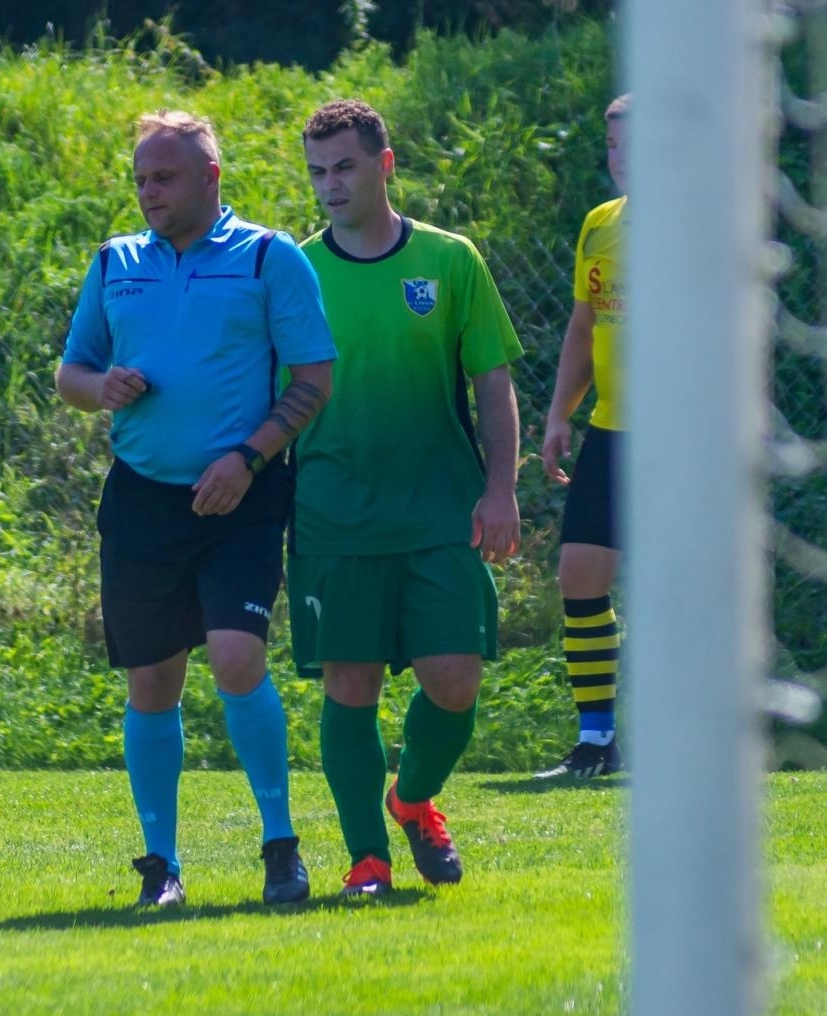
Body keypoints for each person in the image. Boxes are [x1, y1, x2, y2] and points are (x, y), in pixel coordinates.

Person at [58, 109, 336, 908]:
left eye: (165, 177)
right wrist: (99, 389)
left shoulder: (266, 258)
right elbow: (73, 373)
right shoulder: (115, 262)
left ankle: (280, 846)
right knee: (152, 682)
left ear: (211, 177)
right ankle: (161, 866)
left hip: (240, 496)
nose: (149, 192)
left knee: (238, 657)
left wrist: (248, 459)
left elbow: (312, 380)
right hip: (142, 499)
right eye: (141, 178)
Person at [291, 99, 523, 897]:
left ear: (384, 165)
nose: (331, 184)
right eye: (318, 171)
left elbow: (492, 382)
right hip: (334, 515)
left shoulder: (451, 261)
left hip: (439, 510)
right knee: (347, 686)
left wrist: (501, 490)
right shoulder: (296, 271)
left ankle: (413, 799)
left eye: (345, 166)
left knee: (455, 679)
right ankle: (367, 860)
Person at [535, 94, 630, 781]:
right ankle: (596, 743)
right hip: (612, 432)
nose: (623, 158)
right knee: (579, 577)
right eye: (614, 145)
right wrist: (560, 414)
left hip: (684, 441)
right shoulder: (600, 226)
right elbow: (582, 327)